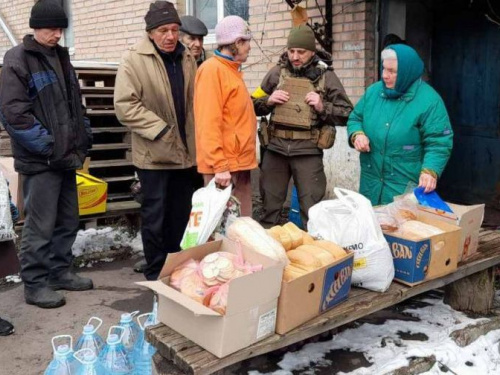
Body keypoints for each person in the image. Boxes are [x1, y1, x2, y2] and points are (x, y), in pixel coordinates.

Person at [0, 0, 94, 309]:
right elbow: (14, 115)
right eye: (52, 29)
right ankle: (35, 283)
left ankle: (59, 272)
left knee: (68, 219)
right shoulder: (17, 60)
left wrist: (83, 137)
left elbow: (74, 105)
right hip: (41, 161)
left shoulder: (61, 57)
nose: (58, 35)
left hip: (66, 156)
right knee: (40, 224)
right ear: (36, 27)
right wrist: (49, 146)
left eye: (61, 30)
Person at [114, 1, 198, 280]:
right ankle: (155, 274)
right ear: (150, 32)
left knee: (181, 217)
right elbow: (125, 106)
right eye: (163, 30)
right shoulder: (134, 60)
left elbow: (193, 102)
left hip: (186, 153)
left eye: (174, 29)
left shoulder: (187, 58)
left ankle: (176, 273)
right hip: (155, 154)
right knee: (155, 220)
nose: (170, 36)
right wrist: (161, 129)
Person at [252, 25, 353, 225]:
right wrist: (268, 101)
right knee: (268, 208)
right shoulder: (275, 73)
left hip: (308, 152)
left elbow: (347, 112)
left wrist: (322, 106)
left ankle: (311, 252)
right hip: (275, 150)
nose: (295, 56)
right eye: (291, 51)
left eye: (301, 52)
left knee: (313, 212)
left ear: (312, 52)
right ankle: (268, 252)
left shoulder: (326, 77)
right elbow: (251, 104)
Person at [347, 44, 453, 206]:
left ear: (407, 72)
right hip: (371, 182)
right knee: (370, 227)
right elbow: (355, 118)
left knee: (399, 228)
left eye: (392, 71)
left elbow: (438, 141)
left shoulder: (429, 101)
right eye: (384, 69)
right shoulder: (373, 92)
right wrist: (357, 134)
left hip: (402, 184)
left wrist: (430, 171)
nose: (384, 75)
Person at [194, 15, 257, 217]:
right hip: (224, 169)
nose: (249, 47)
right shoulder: (212, 71)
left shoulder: (230, 70)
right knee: (223, 232)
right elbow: (208, 122)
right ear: (237, 43)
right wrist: (220, 166)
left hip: (237, 164)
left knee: (241, 229)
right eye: (247, 42)